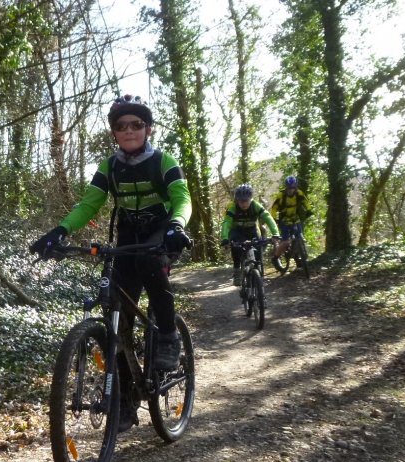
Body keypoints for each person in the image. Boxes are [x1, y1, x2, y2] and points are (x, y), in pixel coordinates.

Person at [30, 94, 192, 432]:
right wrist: (60, 230)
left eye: (136, 124)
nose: (129, 130)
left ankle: (167, 337)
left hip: (160, 233)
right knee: (118, 318)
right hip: (128, 237)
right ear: (114, 133)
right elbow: (89, 205)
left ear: (148, 129)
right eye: (121, 126)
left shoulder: (163, 160)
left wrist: (177, 225)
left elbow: (182, 198)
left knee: (152, 270)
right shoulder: (109, 166)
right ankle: (126, 400)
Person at [219, 183, 280, 286]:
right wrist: (225, 238)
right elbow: (227, 222)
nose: (243, 204)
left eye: (246, 200)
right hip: (237, 231)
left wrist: (275, 234)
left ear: (251, 199)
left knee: (258, 251)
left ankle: (260, 275)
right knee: (236, 248)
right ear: (236, 200)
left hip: (252, 230)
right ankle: (237, 271)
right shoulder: (233, 207)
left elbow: (268, 218)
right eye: (240, 201)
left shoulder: (255, 205)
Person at [270, 175, 312, 264]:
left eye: (293, 188)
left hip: (295, 218)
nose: (291, 190)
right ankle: (275, 257)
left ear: (295, 187)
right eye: (289, 188)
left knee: (300, 237)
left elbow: (305, 201)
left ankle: (299, 257)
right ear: (286, 187)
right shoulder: (281, 195)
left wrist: (309, 210)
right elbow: (274, 208)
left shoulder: (299, 193)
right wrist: (274, 218)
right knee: (285, 242)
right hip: (284, 220)